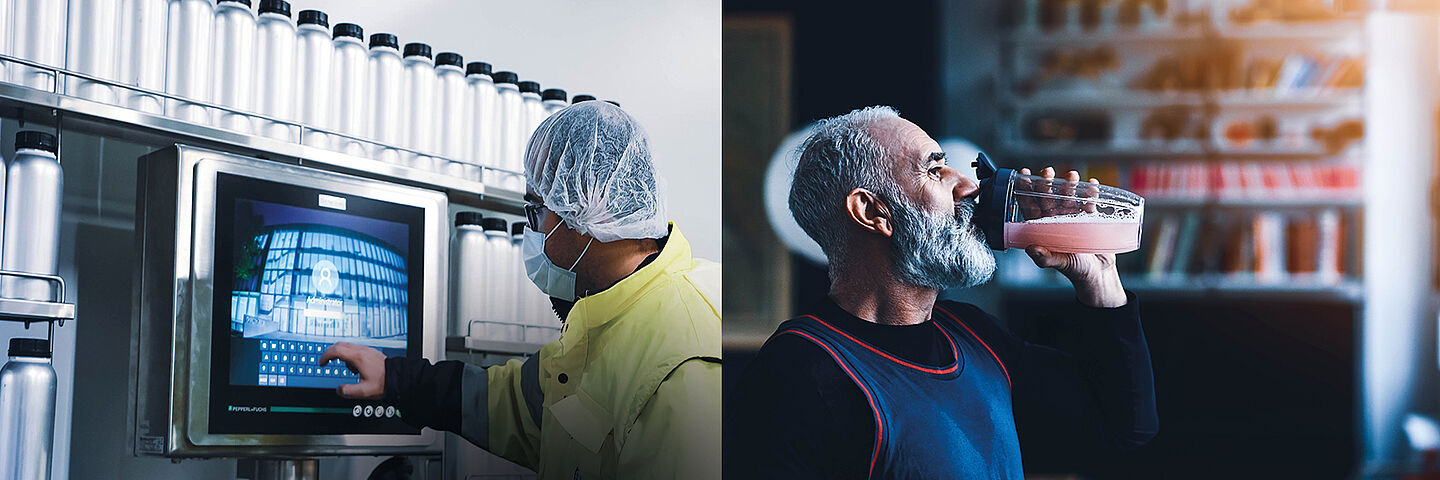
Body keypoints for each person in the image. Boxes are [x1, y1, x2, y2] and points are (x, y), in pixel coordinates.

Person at [727, 106, 1157, 479]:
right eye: (934, 170)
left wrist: (1098, 278)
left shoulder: (974, 336)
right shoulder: (800, 372)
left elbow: (1122, 427)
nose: (968, 187)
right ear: (873, 211)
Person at [320, 102, 722, 479]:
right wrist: (397, 378)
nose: (532, 232)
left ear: (585, 210)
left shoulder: (681, 367)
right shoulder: (607, 317)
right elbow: (516, 405)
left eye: (536, 211)